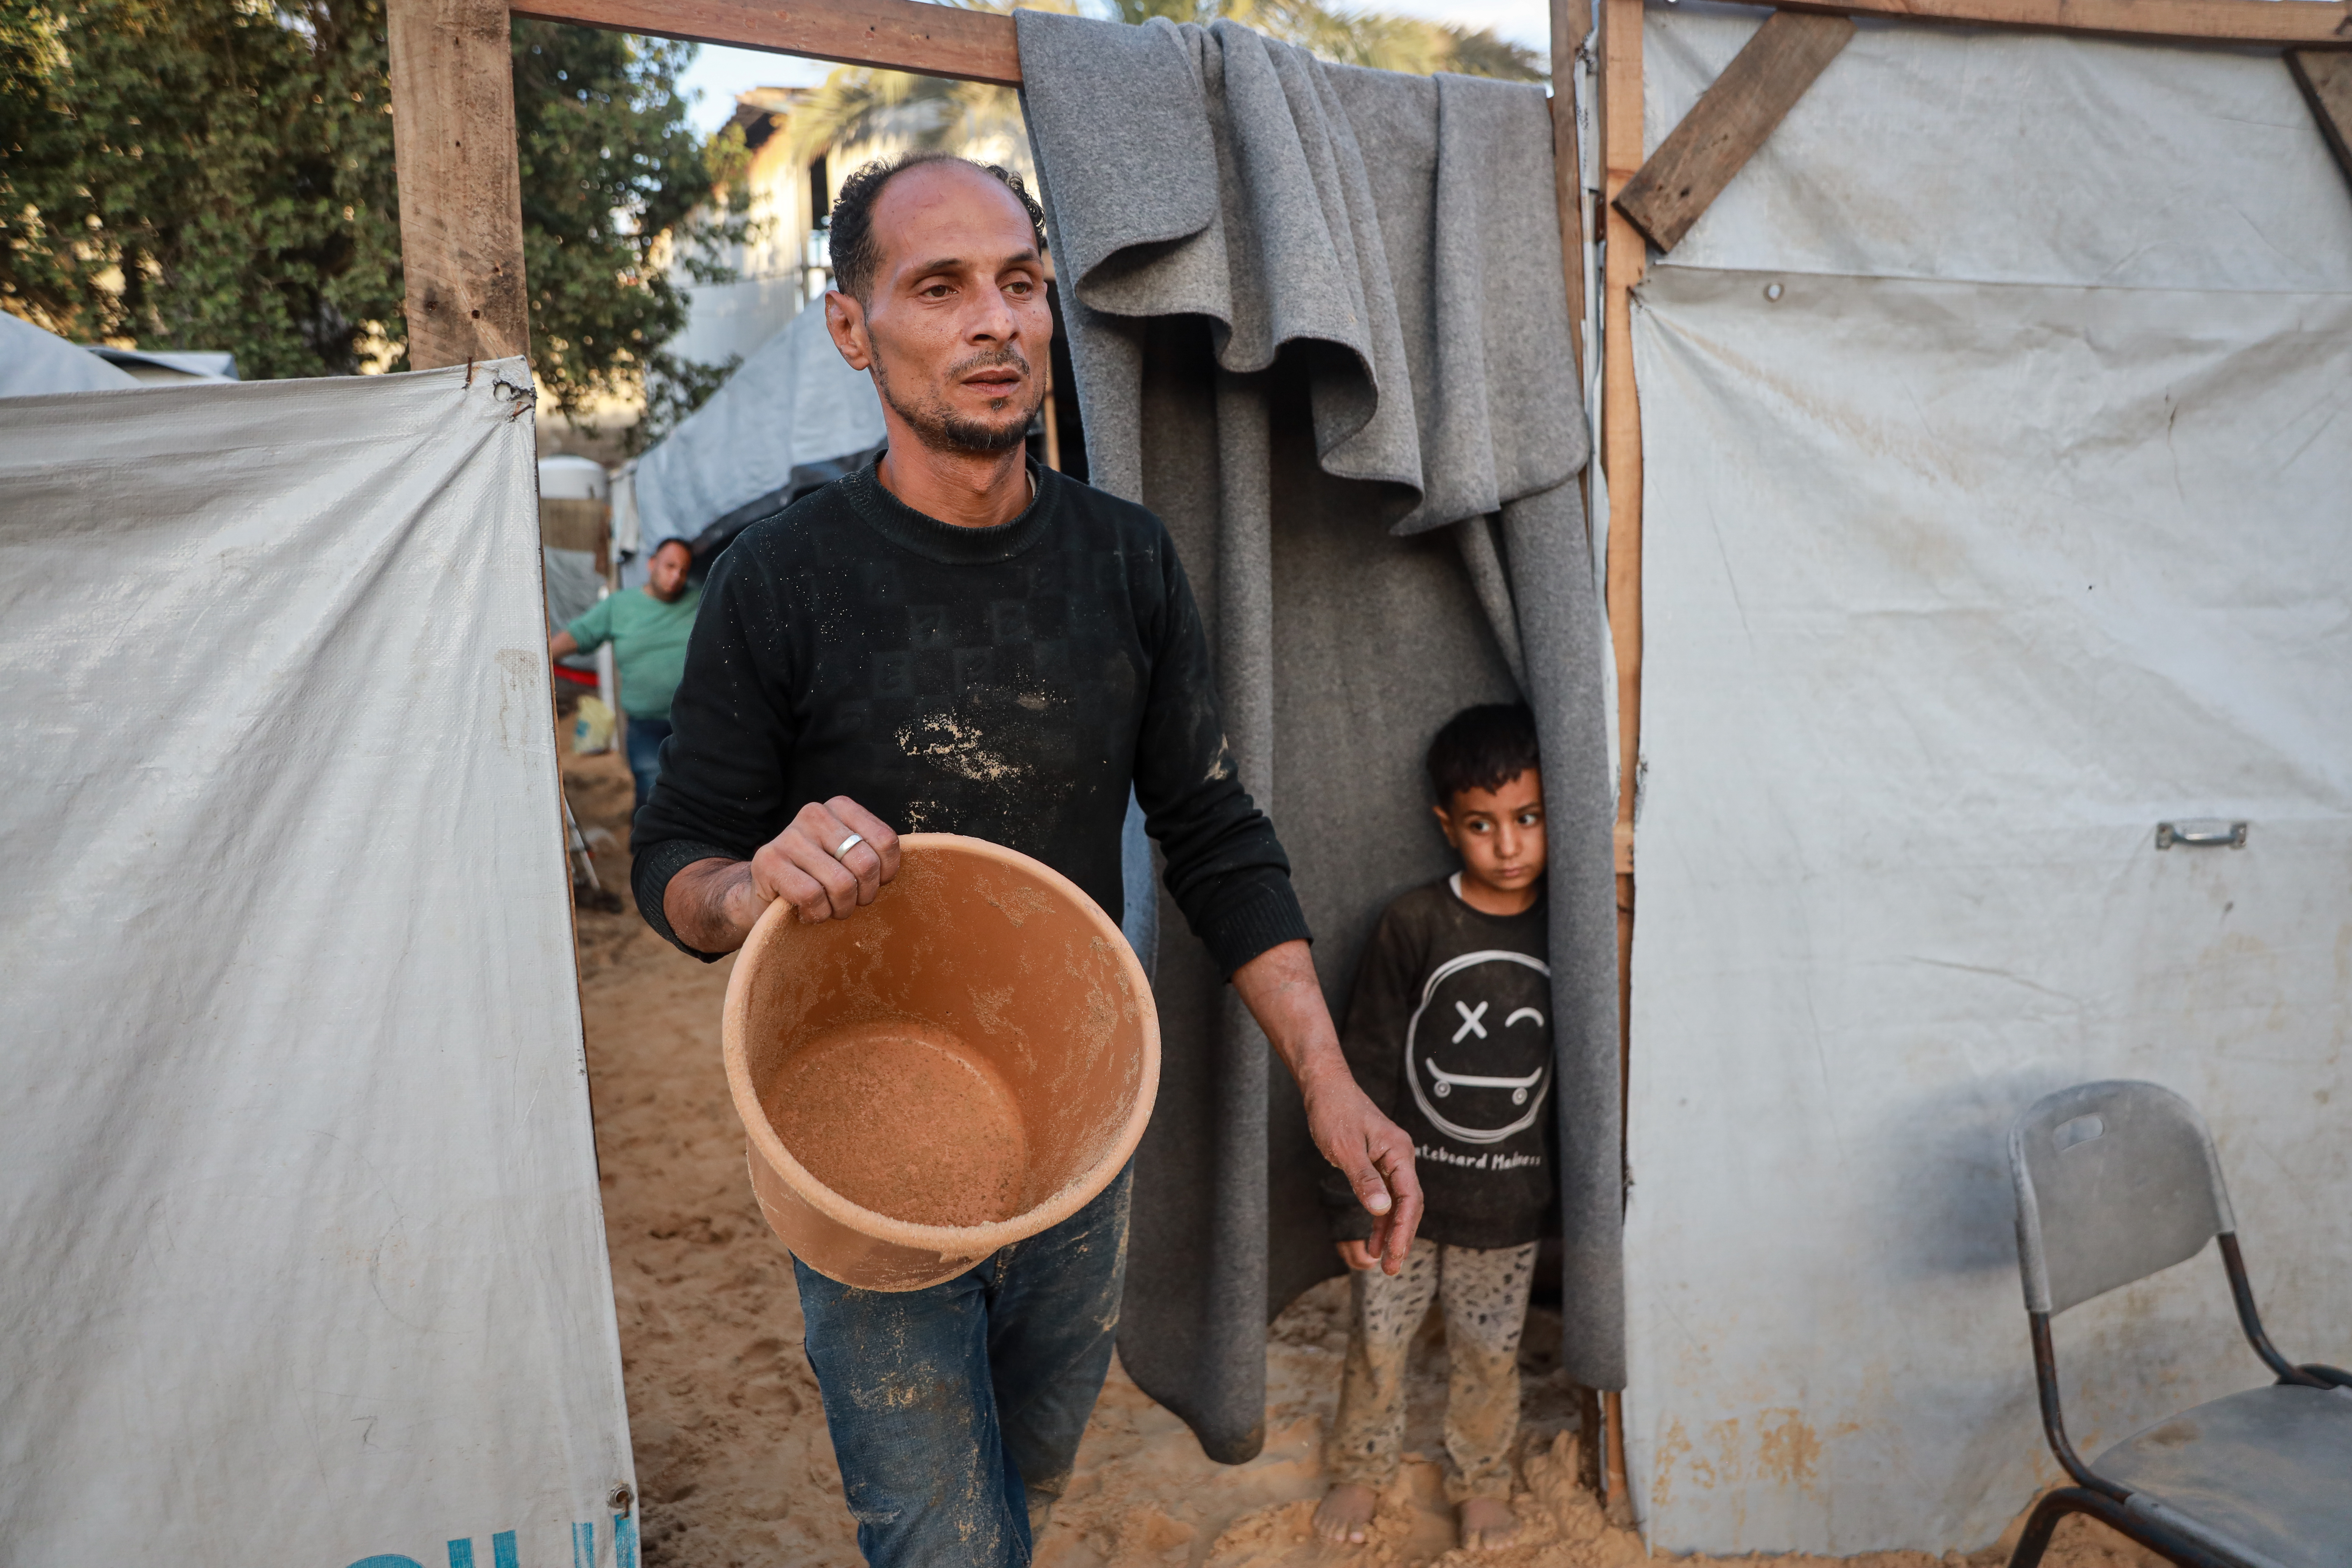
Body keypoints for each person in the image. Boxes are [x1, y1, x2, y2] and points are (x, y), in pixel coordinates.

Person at [624, 150, 1426, 1568]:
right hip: (853, 1127)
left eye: (1021, 284)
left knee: (1030, 1474)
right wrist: (752, 887)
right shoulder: (785, 578)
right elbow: (675, 861)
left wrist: (1326, 1076)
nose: (997, 321)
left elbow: (1214, 831)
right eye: (941, 288)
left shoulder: (1124, 561)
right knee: (938, 1534)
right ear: (853, 328)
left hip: (1072, 1133)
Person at [1312, 702, 1555, 1555]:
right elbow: (1367, 1064)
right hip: (1401, 1205)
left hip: (1509, 1205)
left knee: (1491, 1352)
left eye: (1528, 818)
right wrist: (1353, 1202)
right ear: (1447, 825)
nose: (1509, 845)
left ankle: (1481, 1481)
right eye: (1483, 824)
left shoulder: (1572, 929)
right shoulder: (1413, 923)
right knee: (1377, 1341)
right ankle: (1362, 1465)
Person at [549, 535, 698, 813]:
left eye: (683, 570)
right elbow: (579, 634)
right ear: (651, 564)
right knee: (653, 798)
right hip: (646, 727)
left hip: (696, 724)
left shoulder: (701, 601)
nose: (676, 576)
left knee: (698, 800)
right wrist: (536, 659)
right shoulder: (620, 606)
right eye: (670, 566)